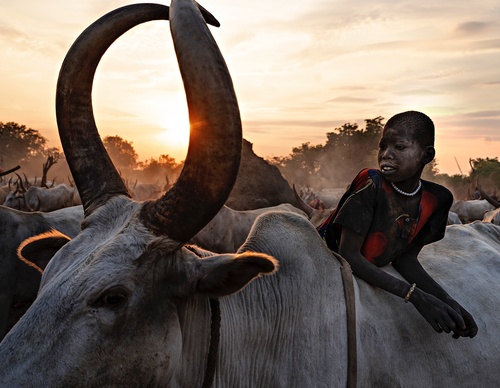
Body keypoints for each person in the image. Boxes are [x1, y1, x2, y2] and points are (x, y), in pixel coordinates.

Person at [318, 110, 477, 339]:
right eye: (383, 146)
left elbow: (405, 259)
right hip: (324, 262)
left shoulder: (437, 199)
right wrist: (415, 296)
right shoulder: (371, 182)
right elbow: (348, 255)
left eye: (399, 147)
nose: (386, 155)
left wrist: (449, 302)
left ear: (426, 155)